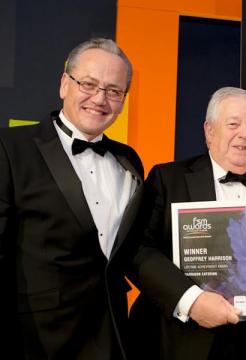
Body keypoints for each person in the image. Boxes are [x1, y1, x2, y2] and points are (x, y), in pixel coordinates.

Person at [0, 38, 144, 359]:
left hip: (112, 335)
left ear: (123, 100)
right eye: (89, 84)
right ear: (65, 84)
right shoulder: (11, 147)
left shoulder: (129, 160)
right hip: (37, 339)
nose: (99, 99)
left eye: (113, 91)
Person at [128, 86, 246, 360]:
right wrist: (191, 301)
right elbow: (137, 250)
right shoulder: (168, 180)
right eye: (233, 124)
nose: (245, 134)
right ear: (209, 131)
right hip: (176, 341)